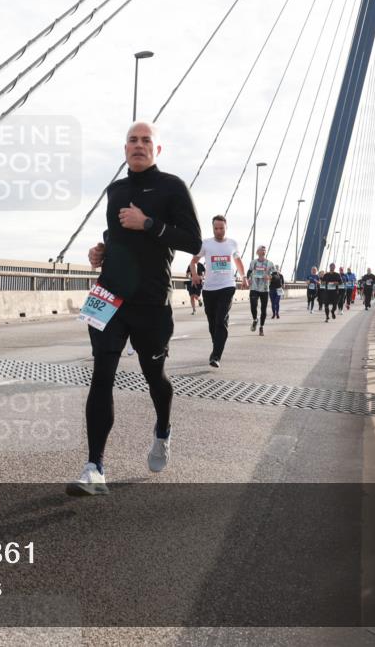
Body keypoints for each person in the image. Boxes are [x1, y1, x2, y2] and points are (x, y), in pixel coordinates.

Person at [67, 121, 201, 496]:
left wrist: (149, 224)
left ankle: (163, 429)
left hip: (151, 302)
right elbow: (117, 234)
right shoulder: (116, 190)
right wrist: (102, 250)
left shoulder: (172, 187)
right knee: (101, 376)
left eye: (146, 141)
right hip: (108, 296)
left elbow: (192, 241)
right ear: (124, 149)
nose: (138, 145)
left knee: (154, 375)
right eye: (132, 140)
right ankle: (94, 467)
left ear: (158, 150)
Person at [191, 216, 248, 364]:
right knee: (212, 323)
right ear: (213, 228)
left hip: (227, 286)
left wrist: (244, 276)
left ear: (226, 227)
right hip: (209, 288)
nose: (219, 231)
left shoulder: (232, 244)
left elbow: (238, 261)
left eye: (221, 228)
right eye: (216, 228)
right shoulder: (206, 244)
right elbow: (193, 261)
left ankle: (216, 356)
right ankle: (216, 345)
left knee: (220, 321)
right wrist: (195, 274)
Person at [246, 245, 274, 335]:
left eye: (264, 250)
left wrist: (269, 277)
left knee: (263, 310)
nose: (263, 251)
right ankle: (255, 319)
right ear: (257, 252)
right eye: (261, 250)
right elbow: (249, 272)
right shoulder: (253, 262)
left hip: (264, 289)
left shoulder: (270, 263)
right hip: (254, 287)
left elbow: (275, 275)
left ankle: (261, 327)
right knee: (253, 306)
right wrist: (248, 279)